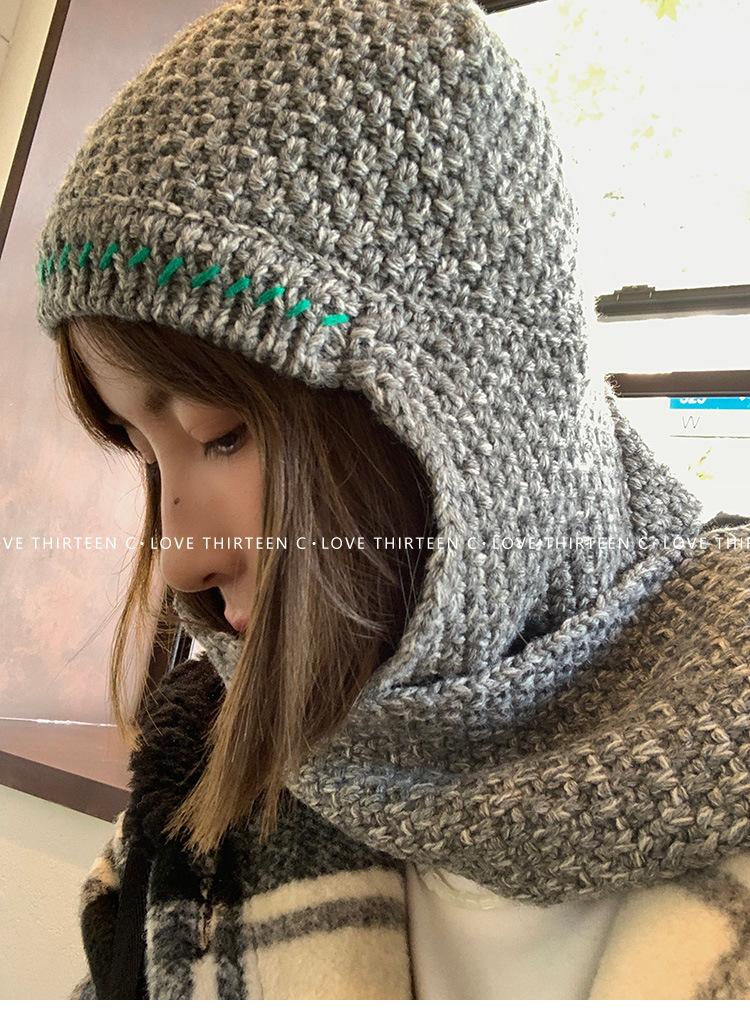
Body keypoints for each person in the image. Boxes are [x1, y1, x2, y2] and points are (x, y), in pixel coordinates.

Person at [34, 0, 750, 1000]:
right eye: (148, 460)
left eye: (222, 434)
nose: (180, 559)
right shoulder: (186, 802)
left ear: (469, 409)